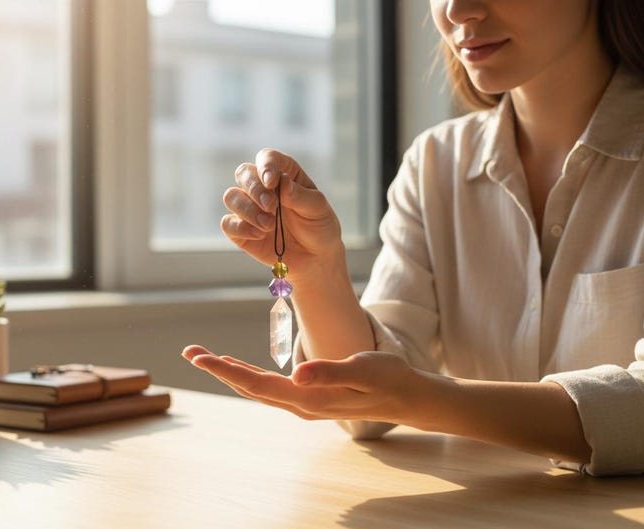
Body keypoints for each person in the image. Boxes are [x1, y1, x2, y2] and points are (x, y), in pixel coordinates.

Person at [182, 0, 644, 476]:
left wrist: (426, 400)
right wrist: (317, 272)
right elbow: (370, 407)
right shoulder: (435, 163)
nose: (457, 10)